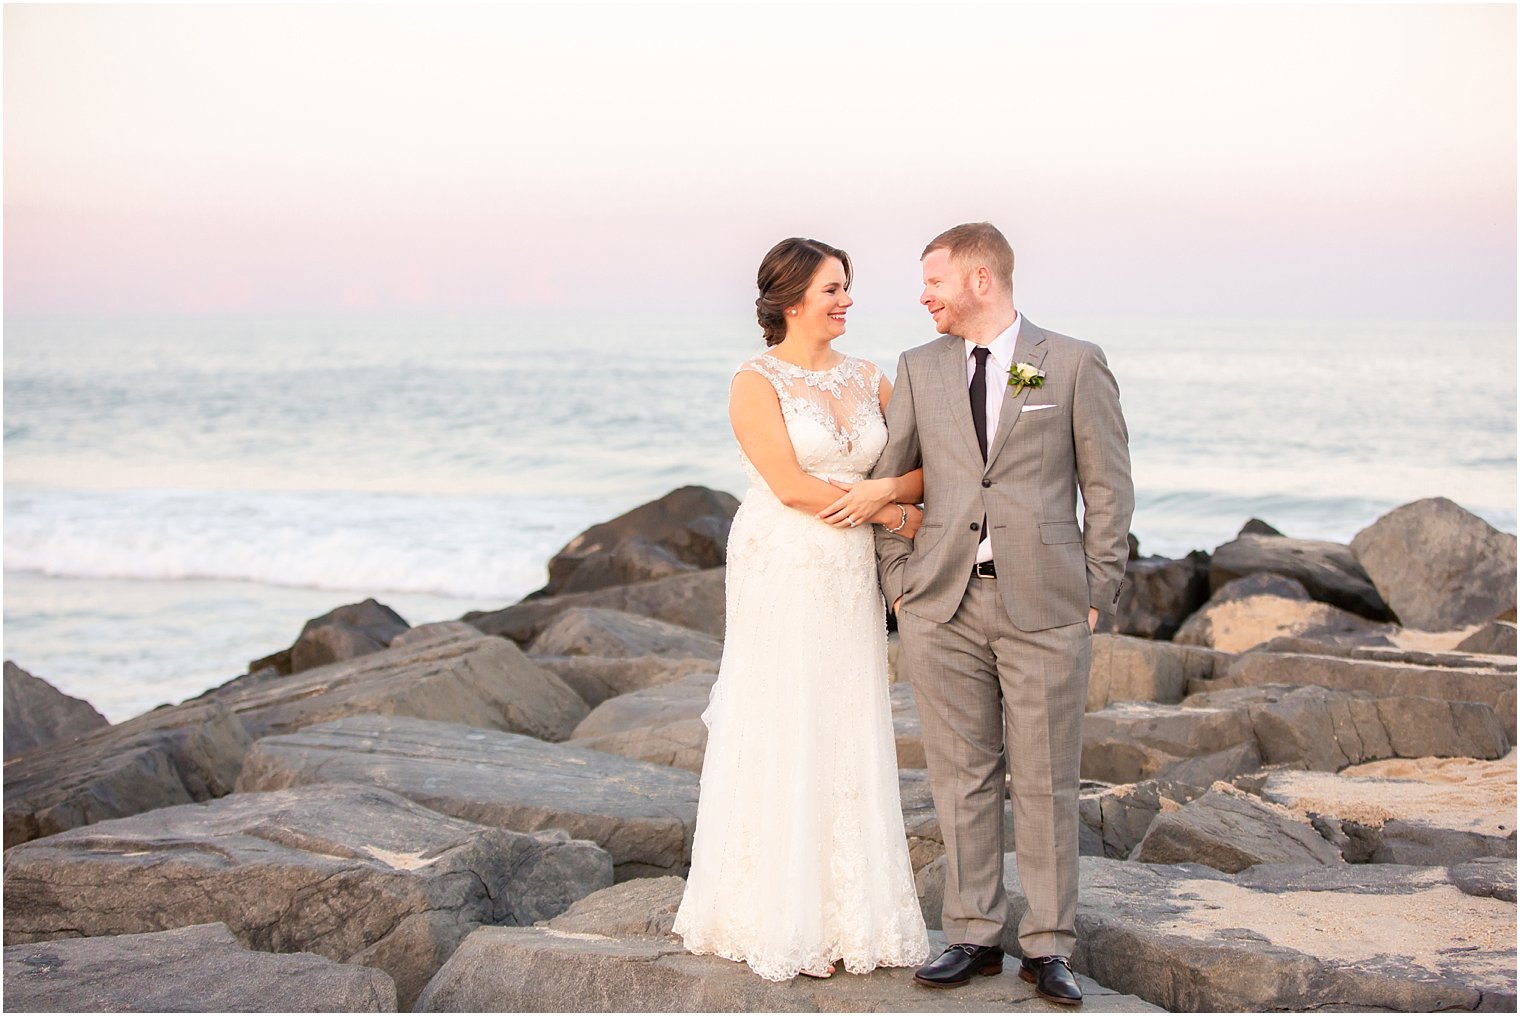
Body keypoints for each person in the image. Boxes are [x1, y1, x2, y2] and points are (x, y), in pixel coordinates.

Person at [872, 222, 1133, 1005]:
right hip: (941, 603)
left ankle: (1049, 947)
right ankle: (973, 935)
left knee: (1049, 780)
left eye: (935, 282)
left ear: (981, 280)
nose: (924, 296)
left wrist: (1095, 591)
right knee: (960, 775)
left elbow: (1109, 490)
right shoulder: (919, 368)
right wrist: (899, 587)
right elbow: (892, 484)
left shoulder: (1074, 363)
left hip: (1046, 604)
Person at [672, 238, 931, 982]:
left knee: (847, 713)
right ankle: (767, 909)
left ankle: (852, 909)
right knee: (781, 713)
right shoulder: (755, 381)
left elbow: (920, 468)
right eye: (832, 289)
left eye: (847, 287)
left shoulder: (870, 378)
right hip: (783, 557)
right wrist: (888, 515)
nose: (846, 300)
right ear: (791, 301)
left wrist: (891, 494)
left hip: (846, 569)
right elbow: (787, 484)